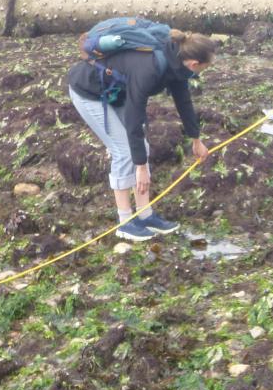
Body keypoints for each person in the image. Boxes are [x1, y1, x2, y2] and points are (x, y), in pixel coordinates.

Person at [66, 28, 216, 241]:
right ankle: (125, 222)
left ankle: (145, 215)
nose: (203, 71)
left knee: (140, 149)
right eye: (206, 67)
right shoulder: (151, 68)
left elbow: (184, 102)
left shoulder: (177, 65)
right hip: (89, 91)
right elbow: (134, 115)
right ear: (194, 64)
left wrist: (196, 139)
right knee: (125, 152)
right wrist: (141, 168)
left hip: (116, 92)